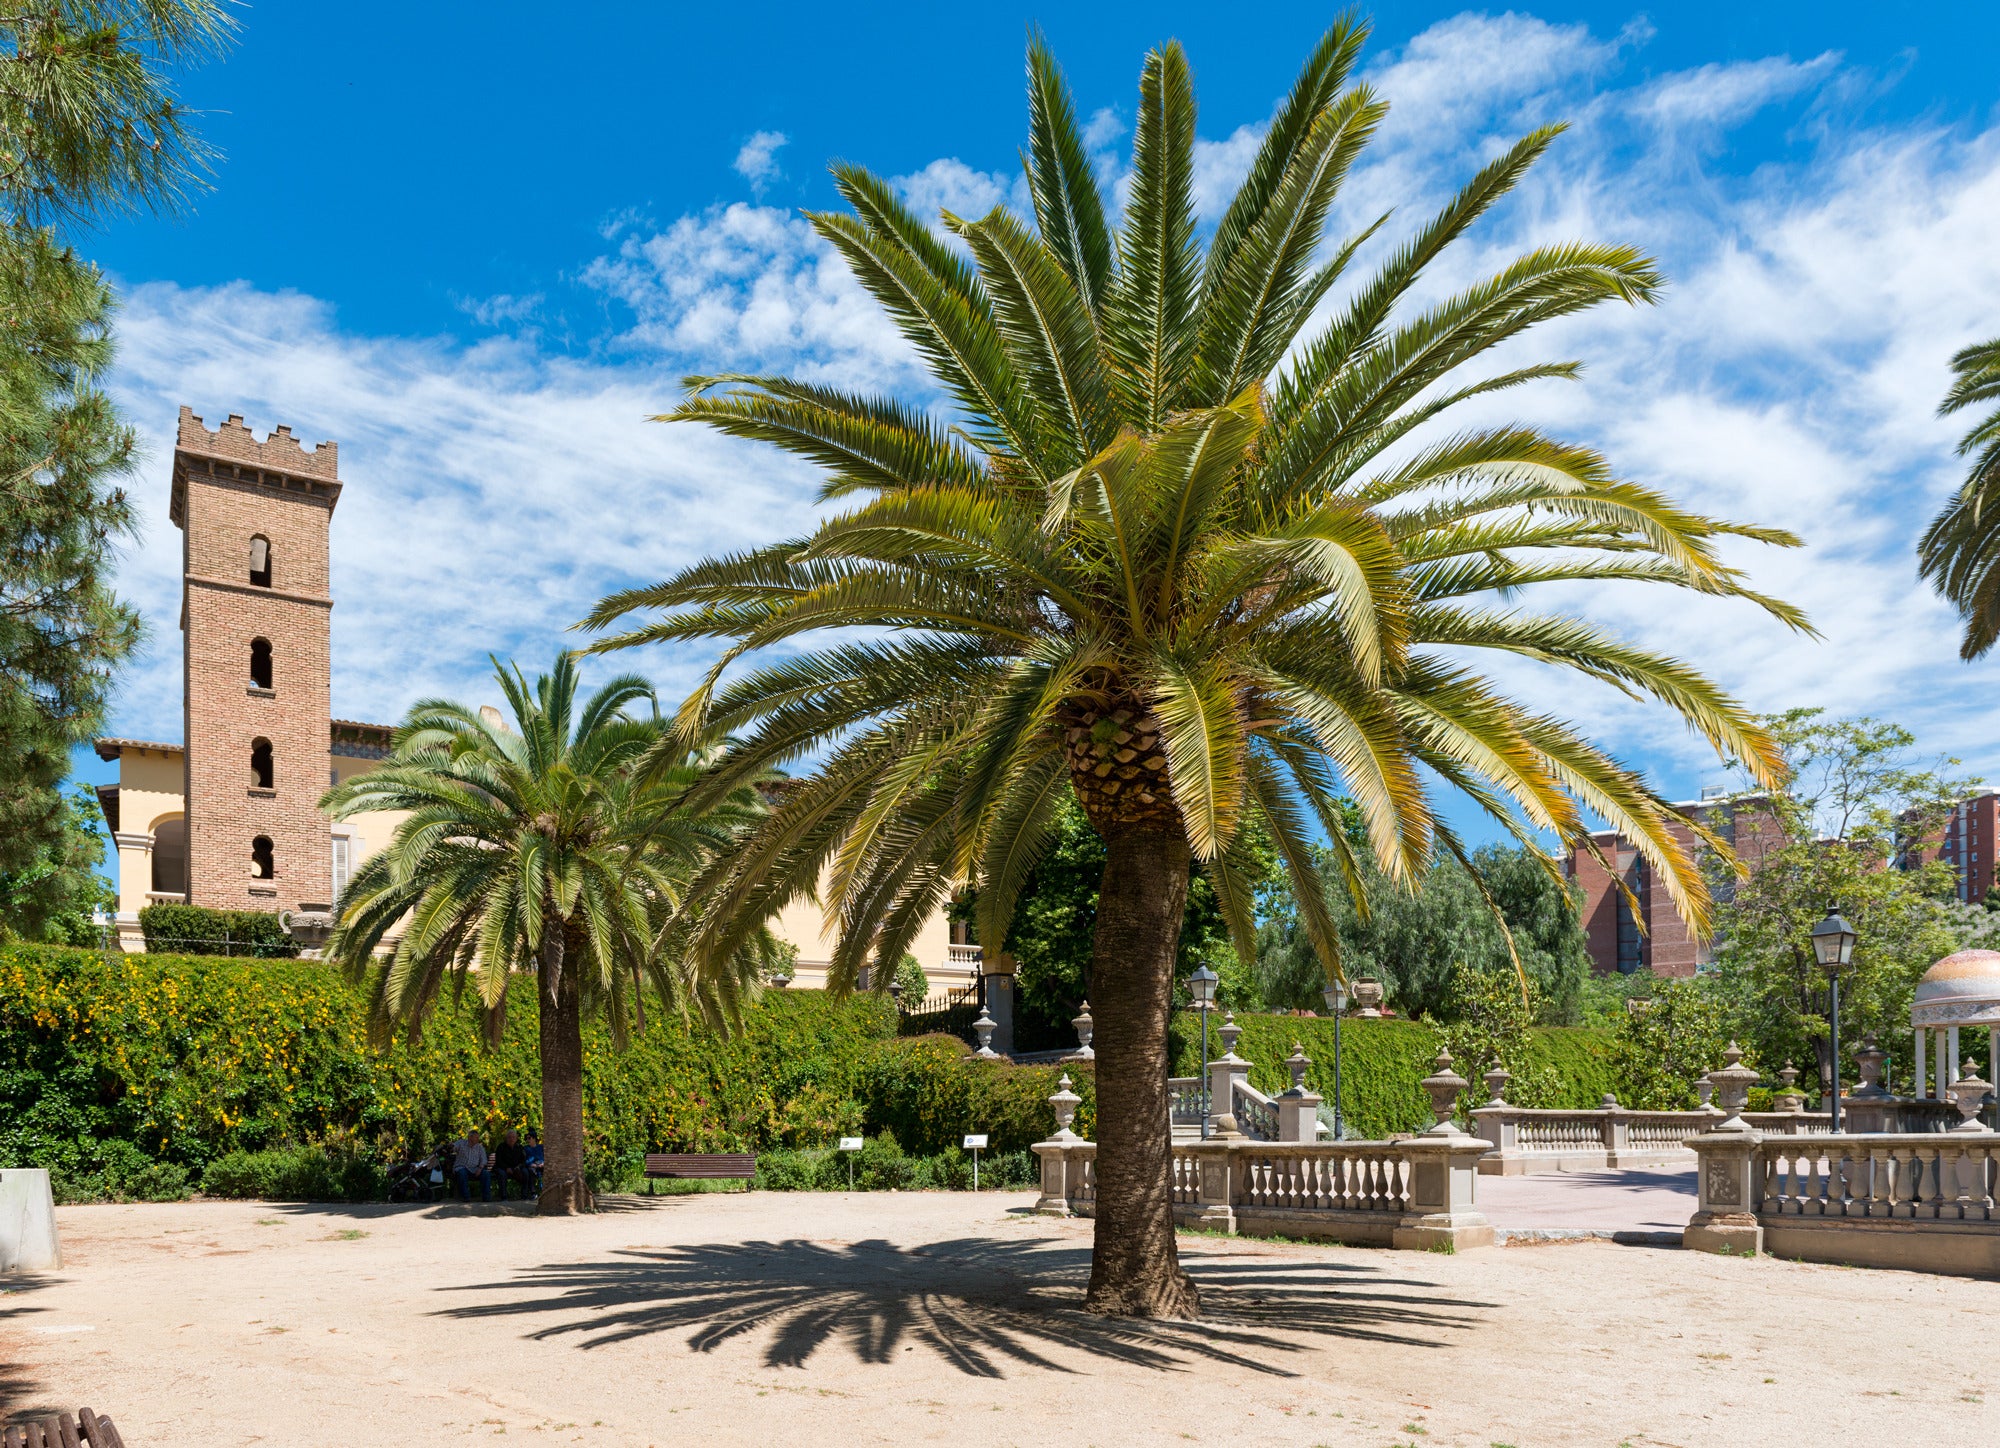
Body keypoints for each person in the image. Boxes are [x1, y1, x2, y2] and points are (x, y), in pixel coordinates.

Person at [451, 1128, 491, 1202]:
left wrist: (480, 1168)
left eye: (478, 1137)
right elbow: (453, 1148)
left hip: (475, 1169)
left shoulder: (479, 1147)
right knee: (462, 1172)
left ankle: (486, 1198)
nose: (478, 1139)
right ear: (470, 1137)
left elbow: (484, 1159)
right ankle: (466, 1198)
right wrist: (451, 1146)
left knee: (486, 1173)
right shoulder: (461, 1143)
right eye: (476, 1137)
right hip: (462, 1167)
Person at [493, 1128, 533, 1200]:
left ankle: (524, 1195)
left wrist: (518, 1167)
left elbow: (523, 1160)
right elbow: (498, 1161)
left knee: (526, 1172)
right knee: (502, 1174)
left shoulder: (520, 1147)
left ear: (516, 1138)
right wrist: (506, 1168)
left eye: (513, 1137)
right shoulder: (501, 1147)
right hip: (503, 1168)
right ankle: (504, 1197)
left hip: (516, 1168)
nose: (511, 1139)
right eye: (509, 1137)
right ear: (506, 1138)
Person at [522, 1129, 544, 1195]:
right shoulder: (525, 1148)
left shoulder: (541, 1147)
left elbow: (546, 1157)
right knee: (531, 1171)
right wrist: (531, 1164)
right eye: (526, 1138)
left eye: (529, 1138)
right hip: (532, 1165)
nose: (527, 1140)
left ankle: (546, 1190)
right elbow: (524, 1160)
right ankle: (533, 1192)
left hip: (541, 1164)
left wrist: (543, 1163)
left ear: (534, 1138)